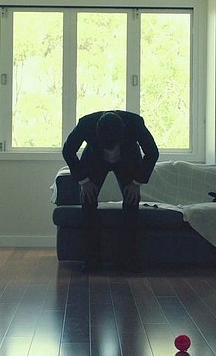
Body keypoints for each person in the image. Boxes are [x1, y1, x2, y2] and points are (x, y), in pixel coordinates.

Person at [62, 110, 159, 272]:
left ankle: (126, 260)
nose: (110, 153)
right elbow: (68, 150)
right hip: (95, 160)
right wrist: (84, 181)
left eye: (113, 147)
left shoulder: (135, 123)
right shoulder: (86, 124)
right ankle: (92, 260)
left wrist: (136, 183)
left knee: (131, 203)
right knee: (88, 203)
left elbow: (152, 152)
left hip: (127, 161)